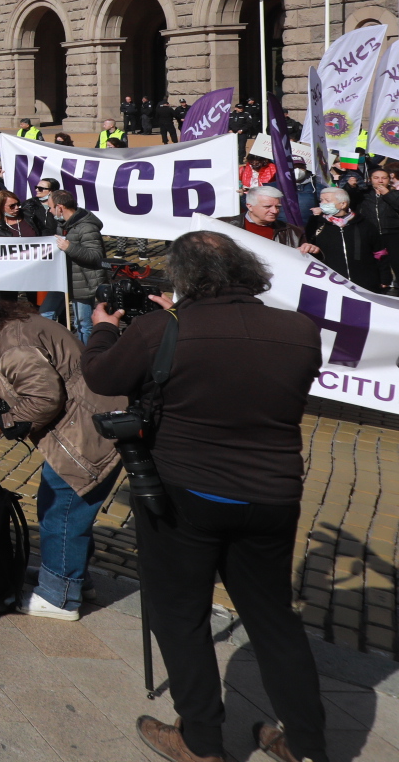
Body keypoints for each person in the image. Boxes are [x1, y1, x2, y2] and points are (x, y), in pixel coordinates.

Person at [82, 230, 329, 762]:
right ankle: (308, 745)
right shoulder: (300, 330)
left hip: (185, 491)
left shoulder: (163, 329)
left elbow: (103, 375)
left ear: (183, 277)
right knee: (273, 618)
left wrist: (103, 329)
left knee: (180, 612)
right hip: (272, 495)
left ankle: (201, 740)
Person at [0, 292, 124, 618]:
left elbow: (45, 397)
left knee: (61, 513)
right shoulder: (16, 326)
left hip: (85, 435)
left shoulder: (12, 345)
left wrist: (3, 423)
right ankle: (70, 577)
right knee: (61, 506)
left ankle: (60, 596)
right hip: (89, 424)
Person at [46, 191, 105, 342]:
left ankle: (87, 356)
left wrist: (69, 248)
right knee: (46, 314)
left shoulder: (86, 227)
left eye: (51, 208)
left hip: (83, 283)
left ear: (60, 207)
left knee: (83, 323)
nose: (50, 211)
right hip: (63, 280)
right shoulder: (64, 224)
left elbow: (96, 256)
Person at [304, 185, 382, 289]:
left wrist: (384, 277)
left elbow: (379, 252)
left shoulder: (363, 224)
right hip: (330, 282)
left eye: (327, 200)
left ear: (343, 204)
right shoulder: (315, 224)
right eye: (321, 200)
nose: (322, 204)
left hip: (365, 282)